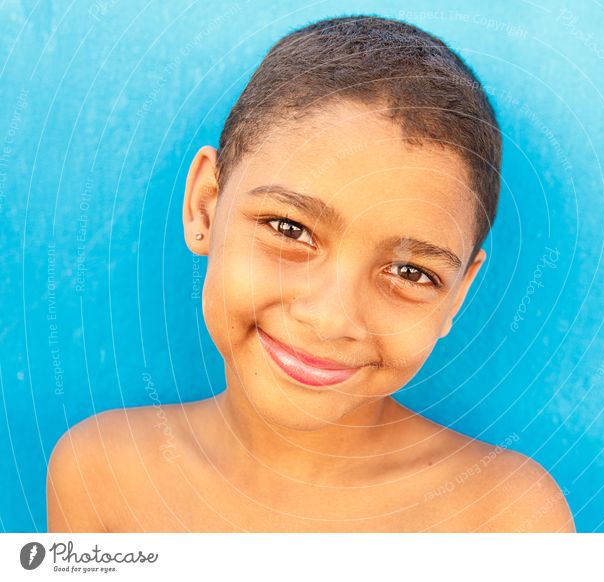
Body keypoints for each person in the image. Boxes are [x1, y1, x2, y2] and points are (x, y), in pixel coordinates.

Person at [47, 15, 575, 533]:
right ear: (206, 206)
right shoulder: (100, 474)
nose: (329, 318)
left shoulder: (505, 521)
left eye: (410, 272)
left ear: (457, 296)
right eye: (289, 228)